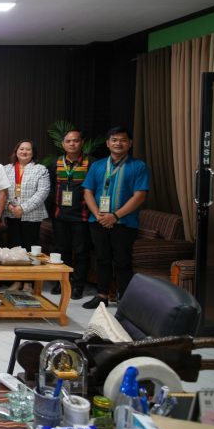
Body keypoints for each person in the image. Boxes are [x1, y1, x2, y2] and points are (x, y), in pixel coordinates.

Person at [82, 127, 149, 308]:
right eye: (114, 139)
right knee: (102, 259)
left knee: (122, 261)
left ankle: (124, 298)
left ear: (130, 143)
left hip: (125, 223)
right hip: (98, 221)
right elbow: (88, 191)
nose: (118, 143)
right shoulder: (97, 165)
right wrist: (98, 214)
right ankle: (102, 296)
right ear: (108, 143)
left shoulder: (138, 166)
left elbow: (139, 196)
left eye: (123, 140)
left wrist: (115, 216)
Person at [48, 129, 92, 299]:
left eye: (75, 141)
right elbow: (51, 188)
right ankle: (61, 283)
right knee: (61, 250)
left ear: (81, 142)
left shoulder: (91, 163)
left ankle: (78, 286)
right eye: (68, 141)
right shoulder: (56, 163)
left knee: (81, 251)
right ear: (63, 144)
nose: (72, 144)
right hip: (60, 215)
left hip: (82, 216)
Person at [3, 140, 50, 292]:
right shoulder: (7, 169)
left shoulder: (40, 169)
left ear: (33, 152)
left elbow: (42, 192)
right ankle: (17, 280)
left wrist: (23, 208)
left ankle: (29, 282)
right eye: (21, 149)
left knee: (31, 248)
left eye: (28, 150)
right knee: (15, 248)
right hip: (12, 215)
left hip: (32, 216)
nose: (24, 152)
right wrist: (9, 206)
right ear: (16, 151)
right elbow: (2, 191)